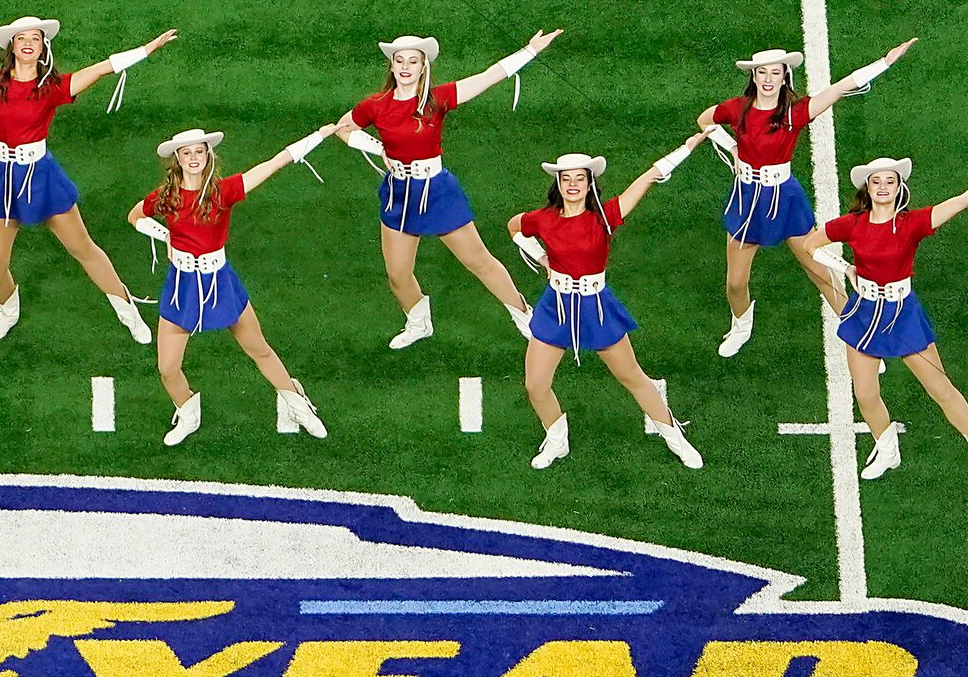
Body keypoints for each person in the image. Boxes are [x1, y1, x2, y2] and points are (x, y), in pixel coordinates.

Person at [817, 152, 968, 487]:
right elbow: (810, 245)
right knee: (865, 393)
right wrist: (846, 268)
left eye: (889, 181)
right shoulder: (852, 224)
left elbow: (965, 199)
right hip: (864, 313)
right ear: (867, 187)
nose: (882, 187)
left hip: (902, 313)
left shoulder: (913, 223)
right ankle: (887, 448)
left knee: (942, 389)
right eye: (876, 181)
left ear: (899, 188)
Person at [0, 15, 175, 344]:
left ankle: (127, 309)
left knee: (84, 248)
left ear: (43, 47)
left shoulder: (52, 88)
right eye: (21, 38)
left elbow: (103, 68)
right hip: (2, 178)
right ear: (12, 47)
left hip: (41, 176)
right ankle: (8, 308)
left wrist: (146, 49)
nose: (28, 43)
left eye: (35, 38)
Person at [335, 29, 557, 350]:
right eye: (400, 61)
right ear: (392, 67)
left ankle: (525, 314)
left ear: (423, 66)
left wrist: (530, 51)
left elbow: (489, 76)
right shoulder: (376, 105)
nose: (406, 66)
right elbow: (344, 127)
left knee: (479, 261)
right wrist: (378, 148)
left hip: (437, 191)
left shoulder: (437, 98)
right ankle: (418, 322)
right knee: (398, 275)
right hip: (399, 194)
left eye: (413, 60)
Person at [695, 37, 914, 355]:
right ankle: (742, 326)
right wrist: (732, 149)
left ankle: (864, 339)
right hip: (747, 201)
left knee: (821, 272)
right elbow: (704, 121)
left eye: (775, 73)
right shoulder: (735, 109)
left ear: (785, 76)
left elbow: (840, 88)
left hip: (785, 200)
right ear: (753, 77)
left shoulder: (795, 113)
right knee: (735, 283)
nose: (769, 79)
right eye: (762, 73)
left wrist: (886, 61)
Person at [127, 122, 337, 446]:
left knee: (259, 349)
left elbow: (274, 163)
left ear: (208, 156)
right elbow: (135, 216)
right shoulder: (166, 196)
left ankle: (298, 403)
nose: (194, 158)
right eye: (187, 153)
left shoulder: (223, 191)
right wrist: (165, 235)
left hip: (219, 282)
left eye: (200, 151)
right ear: (177, 159)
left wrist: (318, 136)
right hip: (181, 287)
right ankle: (187, 412)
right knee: (168, 367)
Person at [508, 140, 710, 470]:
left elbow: (648, 177)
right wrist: (542, 258)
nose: (573, 185)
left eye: (580, 178)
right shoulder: (543, 219)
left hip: (596, 307)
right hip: (555, 307)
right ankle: (557, 439)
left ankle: (675, 437)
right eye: (566, 179)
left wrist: (687, 147)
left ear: (590, 184)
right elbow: (514, 226)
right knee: (535, 384)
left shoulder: (606, 215)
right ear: (558, 183)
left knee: (632, 377)